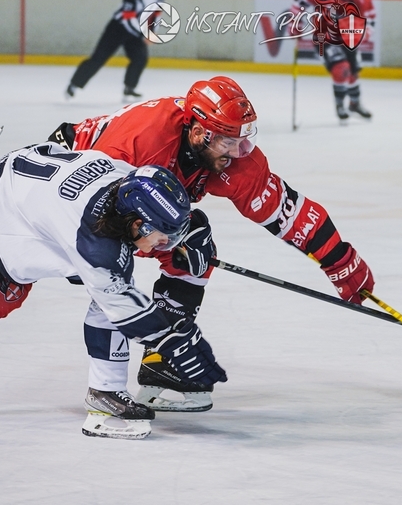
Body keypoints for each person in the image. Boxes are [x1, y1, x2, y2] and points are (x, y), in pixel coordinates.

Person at [48, 75, 376, 412]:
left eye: (242, 140)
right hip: (74, 184)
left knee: (195, 246)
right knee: (111, 268)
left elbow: (284, 209)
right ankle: (107, 384)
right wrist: (86, 262)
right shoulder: (142, 142)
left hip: (128, 189)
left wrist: (338, 259)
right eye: (229, 142)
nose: (238, 152)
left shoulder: (227, 152)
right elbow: (97, 218)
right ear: (199, 133)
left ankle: (162, 361)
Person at [0, 129, 226, 440]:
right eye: (165, 235)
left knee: (112, 284)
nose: (166, 244)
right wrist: (171, 340)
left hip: (40, 189)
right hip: (1, 205)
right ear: (136, 221)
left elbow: (142, 232)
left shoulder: (127, 181)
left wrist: (189, 233)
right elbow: (124, 305)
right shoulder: (94, 245)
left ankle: (106, 392)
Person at [65, 0, 163, 102]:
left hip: (136, 32)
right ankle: (74, 84)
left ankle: (129, 87)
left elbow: (156, 16)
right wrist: (144, 34)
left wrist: (152, 32)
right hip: (117, 29)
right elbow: (128, 17)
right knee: (98, 58)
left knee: (140, 58)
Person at [293, 0, 376, 121]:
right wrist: (295, 24)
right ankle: (340, 106)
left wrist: (362, 36)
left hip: (348, 39)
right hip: (325, 38)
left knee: (352, 72)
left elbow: (370, 19)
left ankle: (355, 103)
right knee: (341, 68)